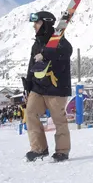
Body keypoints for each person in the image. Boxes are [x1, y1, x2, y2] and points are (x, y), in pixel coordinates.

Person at [23, 11, 73, 162]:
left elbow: (66, 52)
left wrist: (45, 54)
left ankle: (62, 151)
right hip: (38, 88)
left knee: (59, 120)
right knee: (30, 113)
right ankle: (39, 148)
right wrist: (28, 85)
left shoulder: (60, 41)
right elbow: (32, 65)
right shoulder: (36, 43)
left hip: (56, 88)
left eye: (36, 23)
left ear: (45, 23)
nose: (34, 26)